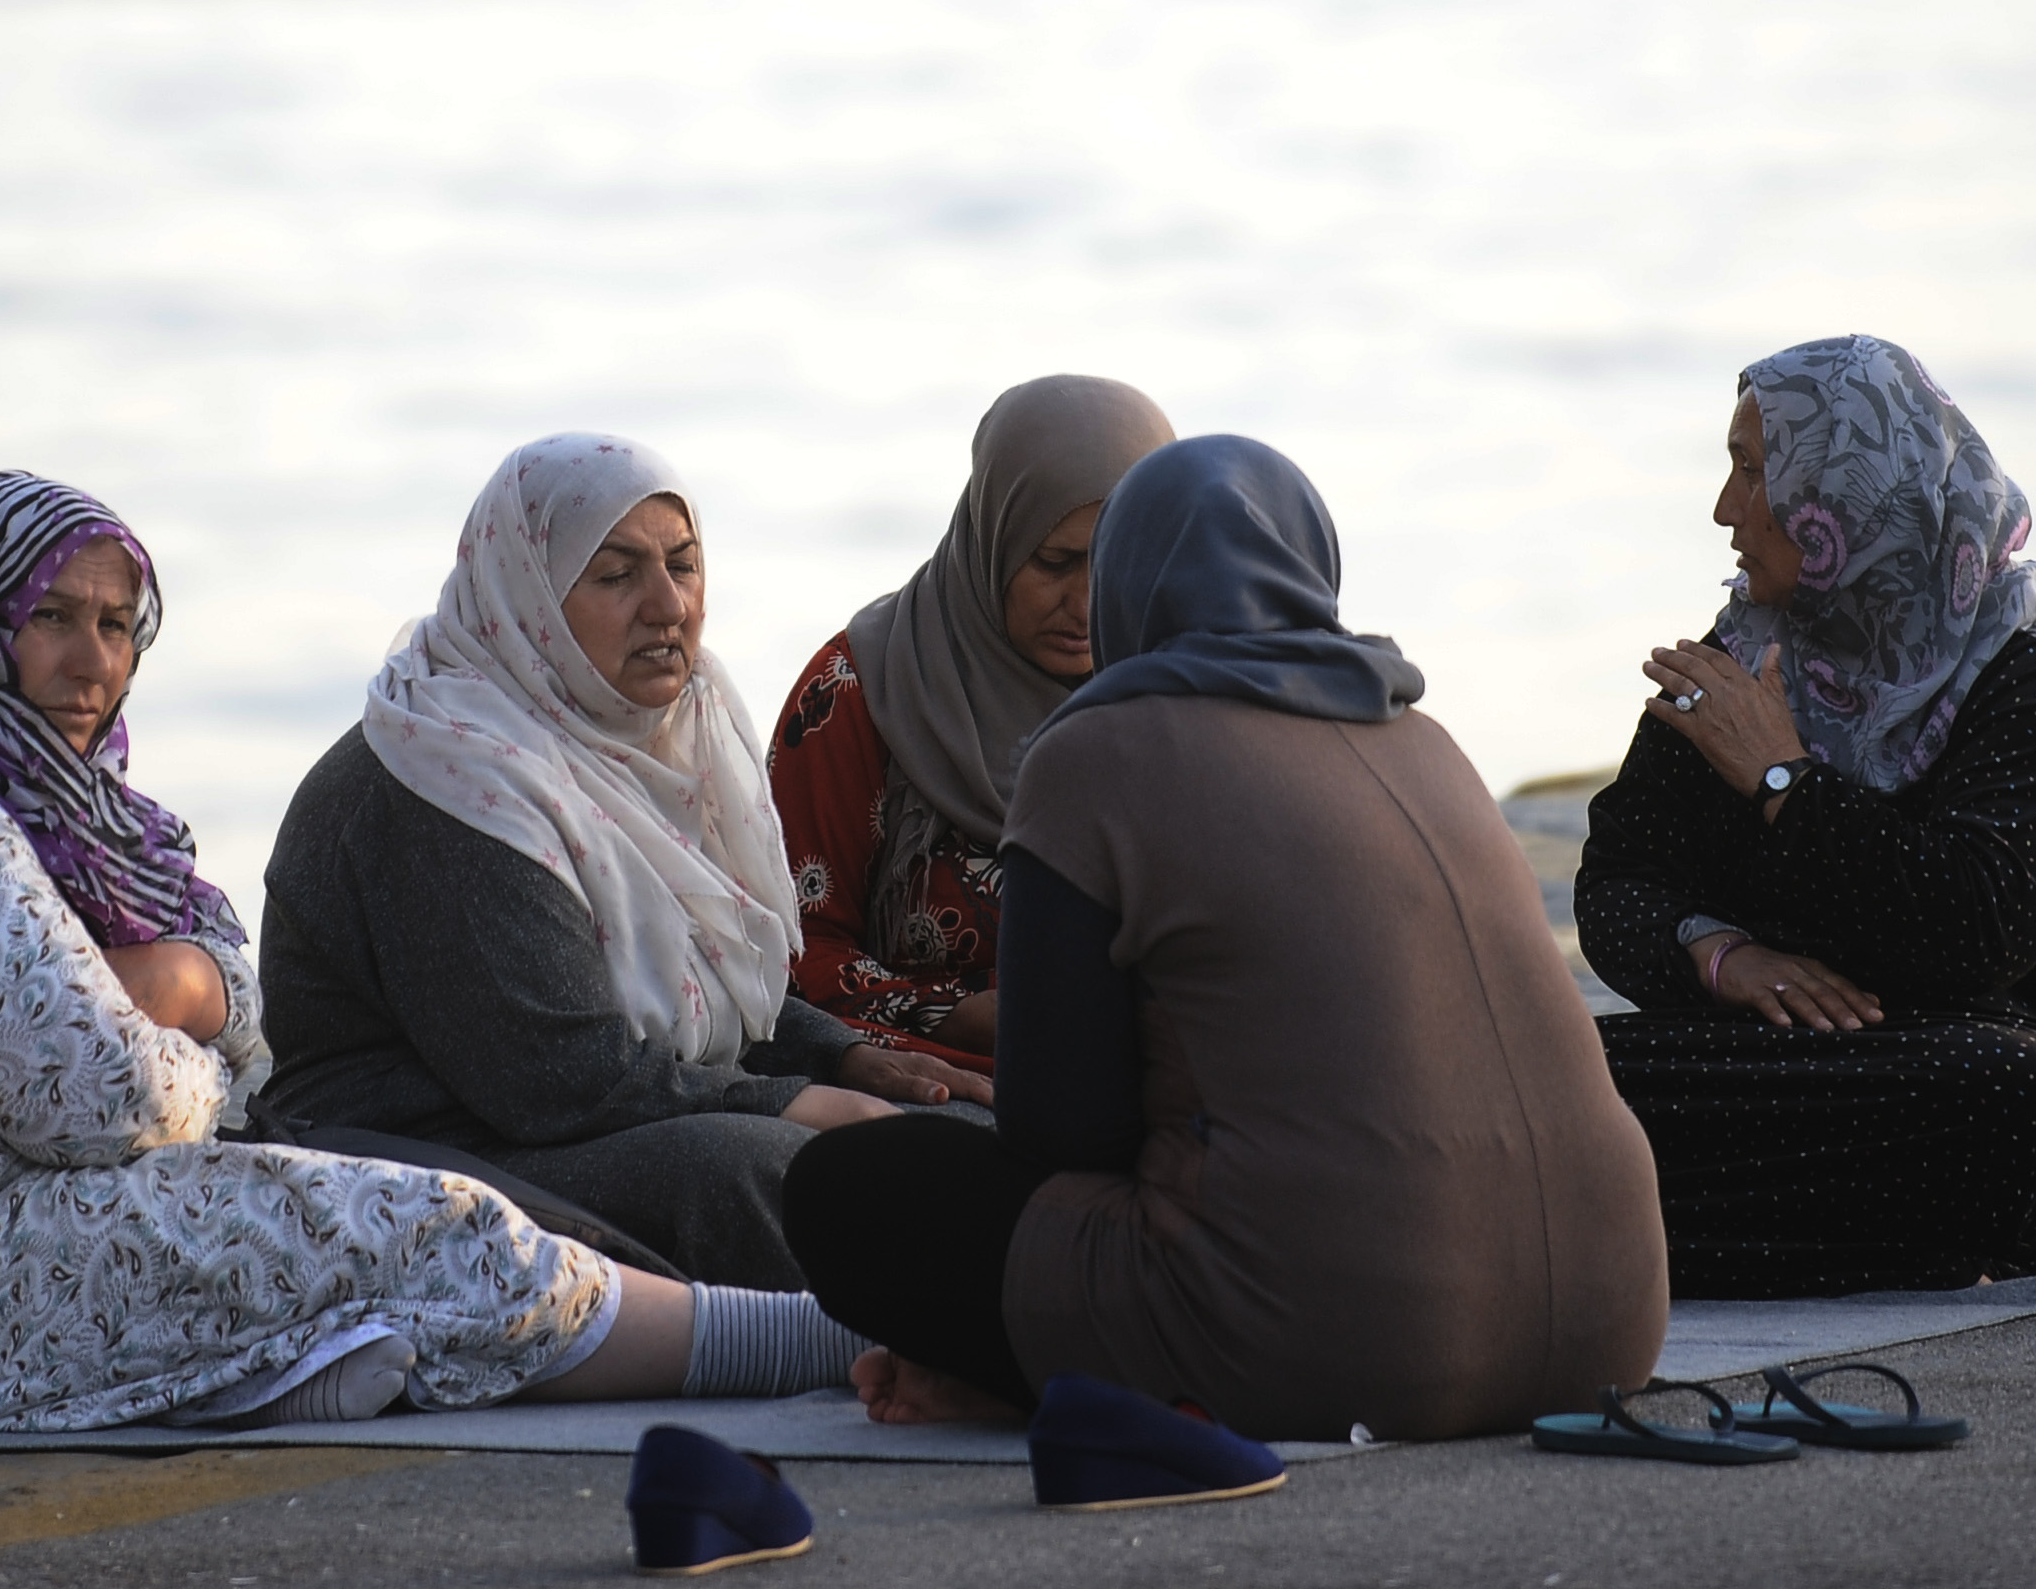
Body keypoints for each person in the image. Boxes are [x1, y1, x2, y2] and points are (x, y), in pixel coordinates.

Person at [0, 470, 866, 1433]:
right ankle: (832, 1343)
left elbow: (226, 1005)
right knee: (415, 1227)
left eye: (113, 625)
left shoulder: (49, 817)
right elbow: (106, 1099)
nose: (91, 663)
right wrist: (170, 1010)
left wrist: (177, 991)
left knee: (376, 1237)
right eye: (48, 617)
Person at [781, 435, 1669, 1441]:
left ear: (1129, 581)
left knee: (847, 1189)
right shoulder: (1423, 737)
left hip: (1346, 1349)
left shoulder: (1092, 750)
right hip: (1610, 1326)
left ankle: (1022, 1380)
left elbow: (1059, 1130)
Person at [256, 434, 974, 1290]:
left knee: (956, 1130)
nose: (668, 607)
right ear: (526, 598)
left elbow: (708, 971)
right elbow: (559, 1079)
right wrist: (788, 1100)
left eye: (683, 564)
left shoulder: (664, 737)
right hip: (423, 1149)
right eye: (616, 575)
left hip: (570, 1112)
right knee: (748, 1173)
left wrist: (841, 1055)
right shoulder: (445, 775)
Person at [1577, 339, 2036, 1296]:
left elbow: (1976, 933)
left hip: (1982, 1074)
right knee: (1536, 1074)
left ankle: (1606, 1231)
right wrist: (1720, 955)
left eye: (1753, 473)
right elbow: (1618, 877)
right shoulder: (1743, 657)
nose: (1725, 510)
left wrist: (1785, 785)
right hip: (1780, 1069)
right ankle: (1797, 1246)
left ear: (1846, 499)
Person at [769, 375, 1177, 1074]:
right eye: (1052, 562)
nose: (1084, 601)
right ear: (994, 534)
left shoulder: (1177, 699)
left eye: (1114, 561)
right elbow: (782, 955)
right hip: (924, 1076)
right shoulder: (864, 692)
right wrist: (952, 1015)